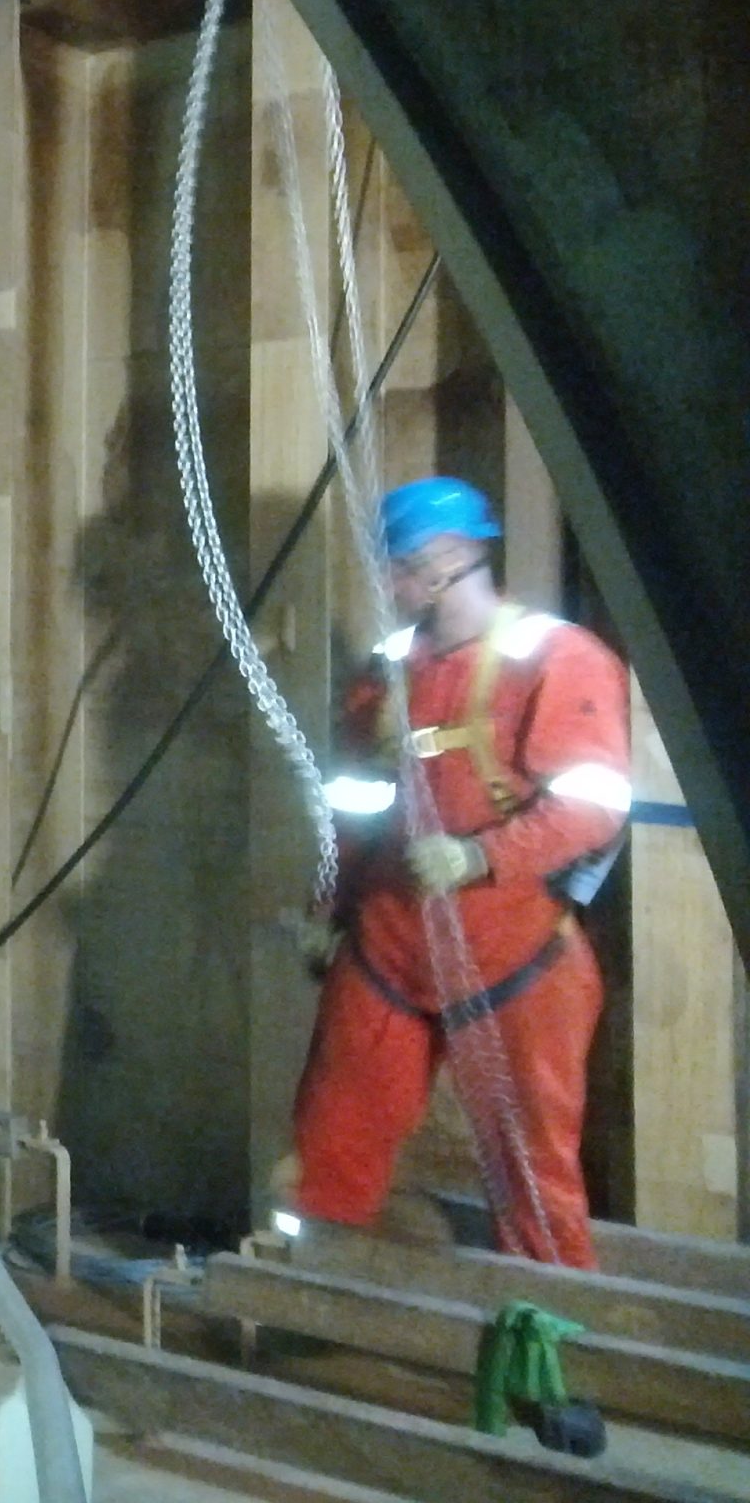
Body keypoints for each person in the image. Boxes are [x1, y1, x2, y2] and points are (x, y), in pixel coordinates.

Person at [285, 475, 631, 1271]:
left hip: (514, 954)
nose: (390, 585)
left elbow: (593, 805)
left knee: (532, 1166)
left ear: (443, 561)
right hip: (389, 944)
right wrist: (326, 908)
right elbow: (358, 809)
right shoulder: (390, 674)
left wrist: (481, 856)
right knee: (333, 1134)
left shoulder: (557, 659)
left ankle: (548, 1342)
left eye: (398, 566)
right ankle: (306, 1294)